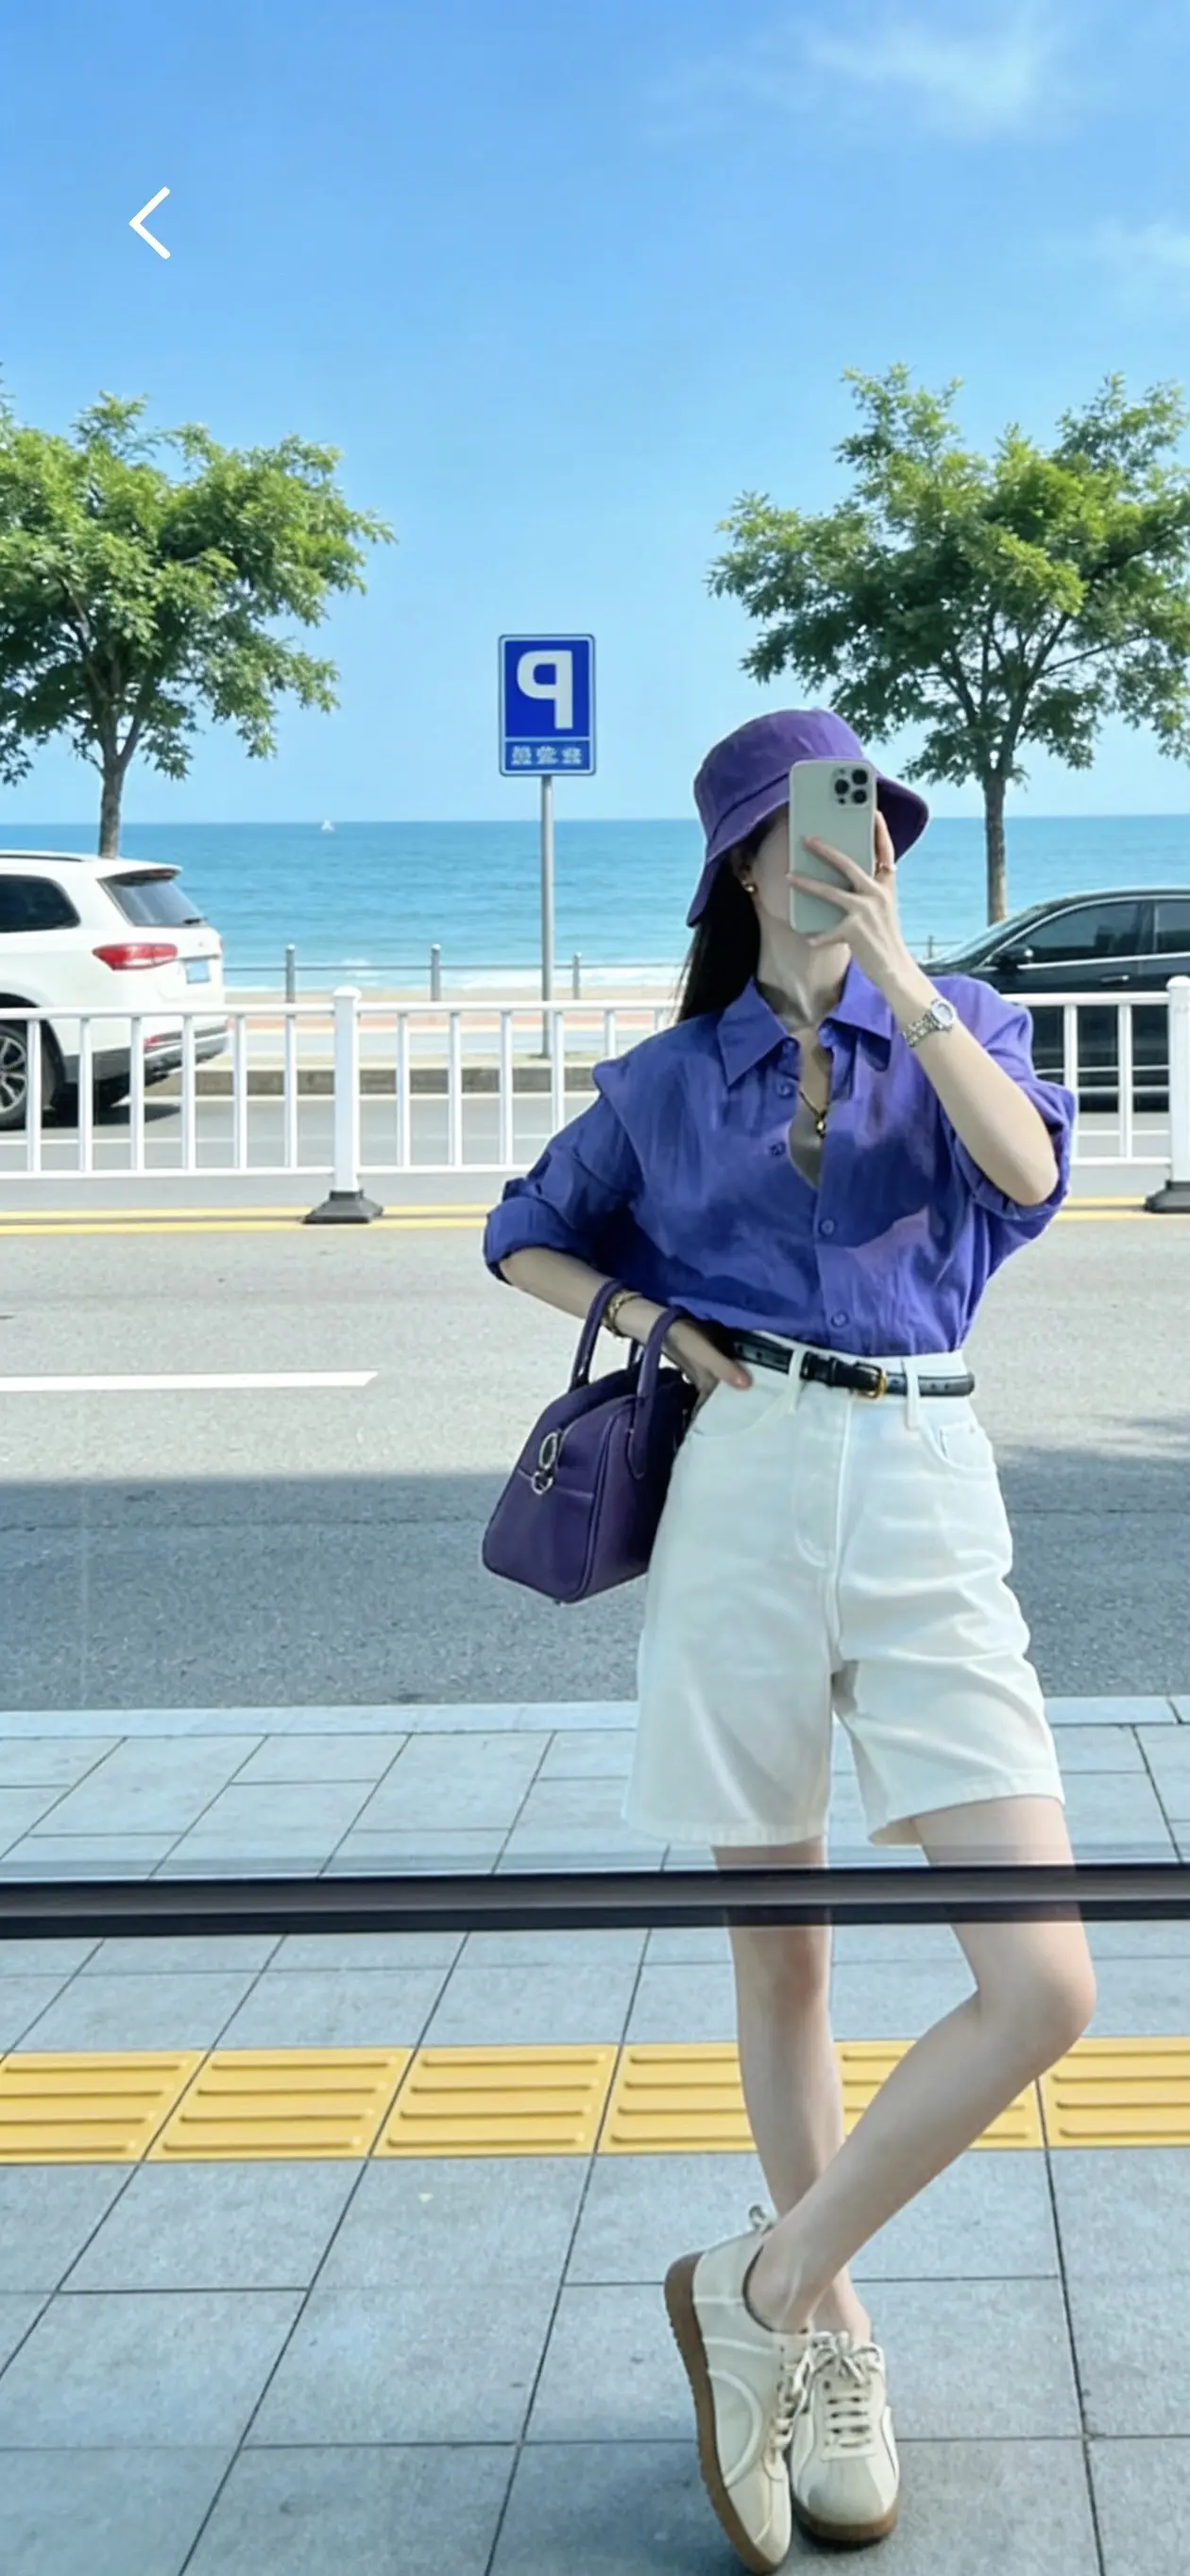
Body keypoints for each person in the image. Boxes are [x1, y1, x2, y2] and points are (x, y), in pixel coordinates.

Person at [481, 706, 1095, 2568]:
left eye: (876, 825)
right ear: (744, 863)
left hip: (926, 1481)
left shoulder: (962, 1025)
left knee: (1046, 1980)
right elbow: (522, 1229)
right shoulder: (672, 1079)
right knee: (787, 1959)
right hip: (742, 1487)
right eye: (818, 828)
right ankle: (827, 2340)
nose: (854, 849)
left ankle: (756, 2280)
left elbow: (1027, 1176)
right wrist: (654, 1327)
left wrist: (899, 973)